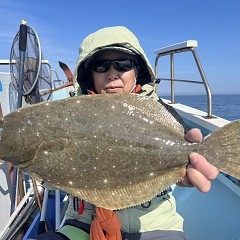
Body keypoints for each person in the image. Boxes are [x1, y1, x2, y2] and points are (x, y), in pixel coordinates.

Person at [37, 26, 218, 240]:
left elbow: (186, 155)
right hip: (84, 222)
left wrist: (184, 172)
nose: (112, 74)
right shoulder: (69, 115)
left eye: (123, 65)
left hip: (154, 224)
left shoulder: (160, 113)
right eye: (101, 66)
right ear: (90, 74)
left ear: (137, 70)